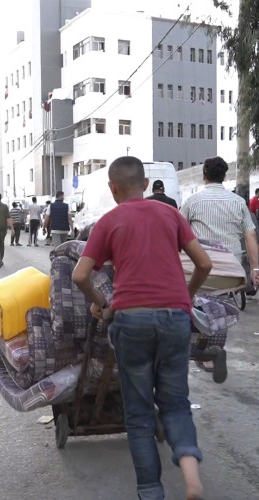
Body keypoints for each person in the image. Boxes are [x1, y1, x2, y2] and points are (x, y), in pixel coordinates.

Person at [72, 156, 212, 500]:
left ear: (112, 188)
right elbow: (204, 263)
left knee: (138, 413)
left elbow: (79, 275)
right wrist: (185, 297)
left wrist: (100, 303)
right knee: (176, 403)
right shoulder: (170, 214)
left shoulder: (109, 220)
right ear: (147, 185)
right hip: (175, 317)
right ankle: (191, 477)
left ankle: (151, 491)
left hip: (131, 319)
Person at [181, 156, 259, 375]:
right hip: (229, 269)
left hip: (197, 266)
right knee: (221, 306)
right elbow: (250, 235)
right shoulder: (237, 202)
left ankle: (203, 352)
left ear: (204, 174)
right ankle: (213, 352)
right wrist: (255, 269)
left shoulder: (192, 201)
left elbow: (177, 232)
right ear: (224, 176)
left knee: (195, 304)